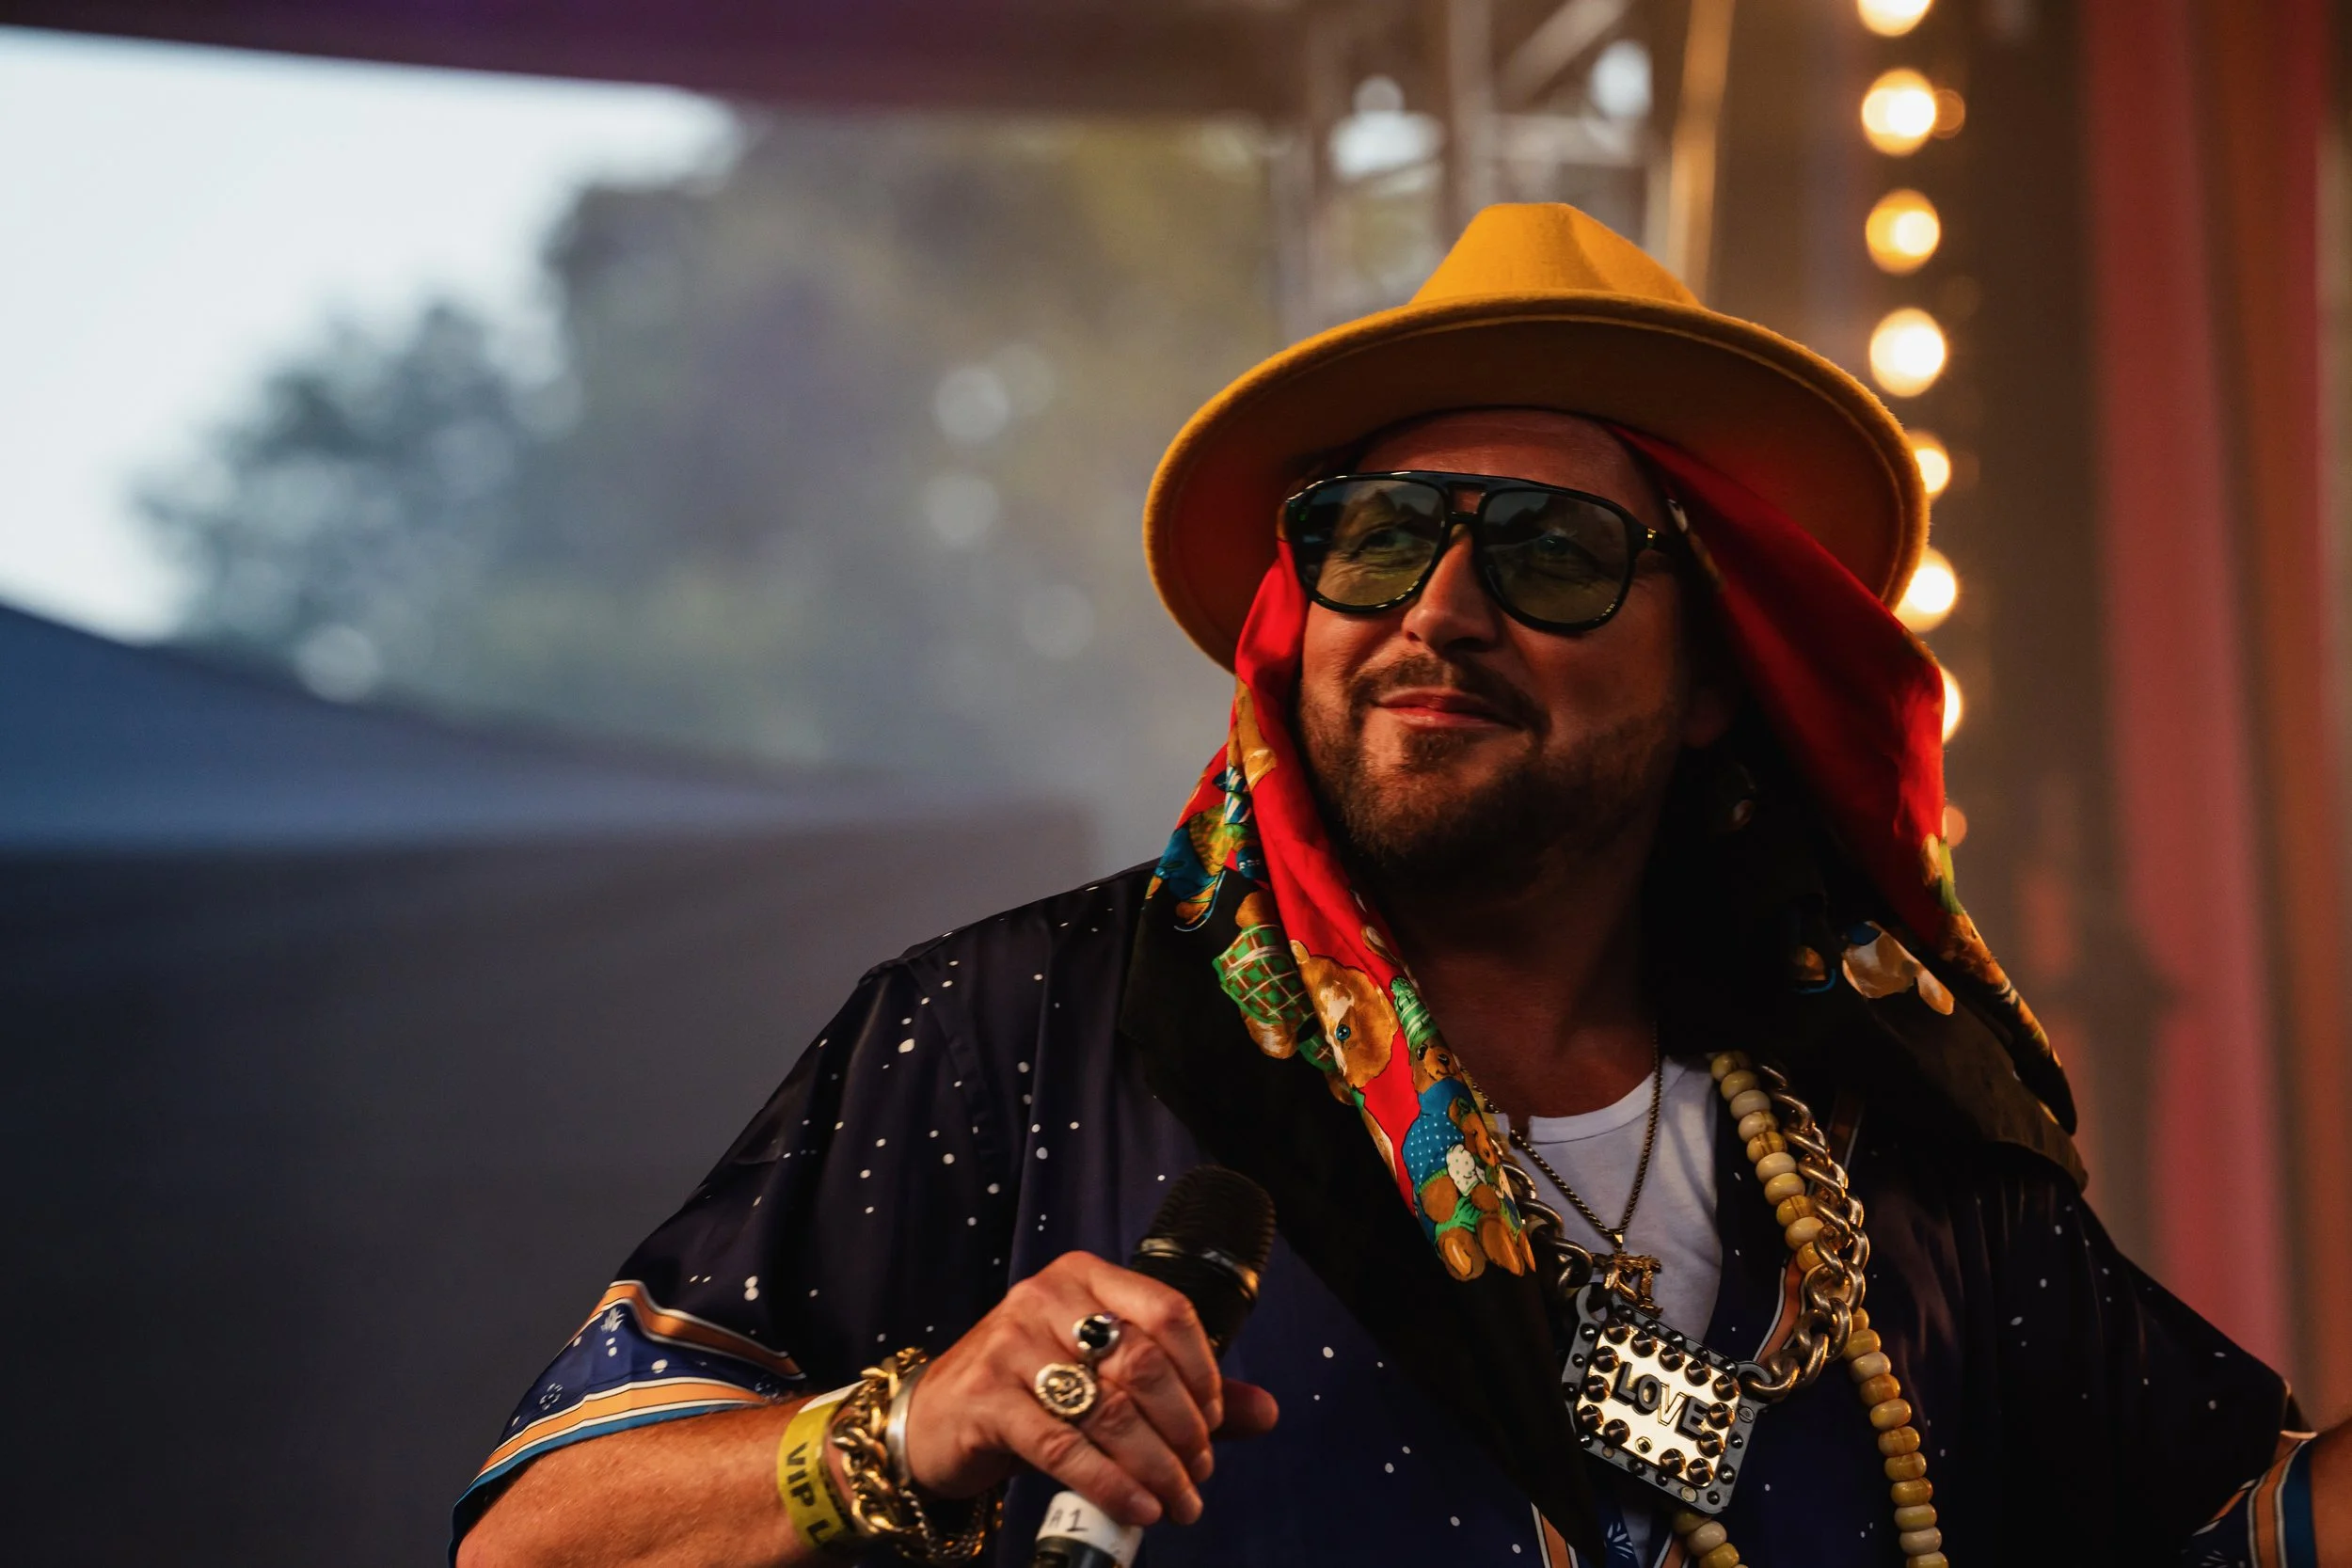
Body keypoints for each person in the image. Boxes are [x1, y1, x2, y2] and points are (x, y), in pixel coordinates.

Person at [453, 204, 2345, 1568]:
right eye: (1374, 537)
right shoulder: (1016, 1027)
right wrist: (909, 1420)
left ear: (1714, 679)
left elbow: (2228, 1517)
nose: (1437, 608)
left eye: (1548, 550)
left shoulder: (1880, 1149)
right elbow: (538, 1536)